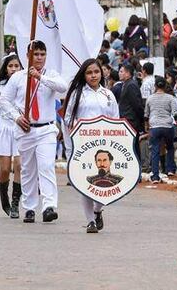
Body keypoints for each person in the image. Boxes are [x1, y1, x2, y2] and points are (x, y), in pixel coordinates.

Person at [0, 41, 68, 223]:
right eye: (35, 54)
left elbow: (63, 87)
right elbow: (4, 100)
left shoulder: (50, 75)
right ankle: (29, 207)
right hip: (26, 129)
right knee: (28, 169)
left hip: (46, 128)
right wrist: (16, 117)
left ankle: (48, 206)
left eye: (42, 54)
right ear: (28, 56)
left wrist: (40, 77)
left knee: (46, 166)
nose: (39, 58)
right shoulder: (18, 77)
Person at [63, 59, 119, 233]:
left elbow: (116, 119)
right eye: (89, 72)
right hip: (84, 145)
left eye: (96, 72)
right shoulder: (77, 94)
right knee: (86, 184)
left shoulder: (108, 95)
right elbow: (67, 118)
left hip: (105, 145)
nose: (93, 75)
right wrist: (77, 129)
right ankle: (90, 221)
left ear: (102, 73)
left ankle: (97, 210)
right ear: (84, 75)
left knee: (105, 183)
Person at [0, 54, 22, 218]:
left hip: (20, 128)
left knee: (20, 166)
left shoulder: (25, 84)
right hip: (3, 128)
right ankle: (4, 199)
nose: (14, 69)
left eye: (17, 66)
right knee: (5, 168)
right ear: (5, 68)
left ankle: (16, 203)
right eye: (11, 66)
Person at [144, 76, 177, 183]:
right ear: (165, 86)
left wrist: (146, 125)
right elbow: (175, 114)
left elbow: (146, 114)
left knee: (155, 149)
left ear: (155, 86)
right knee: (170, 147)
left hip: (154, 126)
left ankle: (155, 175)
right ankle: (170, 169)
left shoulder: (150, 98)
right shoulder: (170, 98)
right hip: (168, 126)